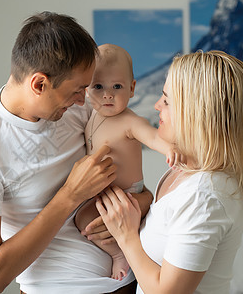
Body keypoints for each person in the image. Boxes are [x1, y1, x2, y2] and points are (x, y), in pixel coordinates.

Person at [0, 12, 153, 294]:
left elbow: (131, 180)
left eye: (86, 87)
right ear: (39, 84)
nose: (84, 100)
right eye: (76, 91)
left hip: (130, 283)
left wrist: (142, 201)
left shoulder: (78, 109)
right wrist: (70, 195)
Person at [87, 50, 243, 294]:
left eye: (166, 101)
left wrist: (125, 237)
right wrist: (141, 200)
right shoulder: (181, 171)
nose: (157, 105)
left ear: (197, 113)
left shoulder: (206, 195)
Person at [74, 43, 181, 281]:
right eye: (98, 86)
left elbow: (152, 136)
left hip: (127, 193)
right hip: (103, 193)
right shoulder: (91, 116)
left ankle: (119, 254)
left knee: (87, 220)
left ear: (132, 88)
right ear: (87, 88)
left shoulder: (130, 121)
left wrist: (169, 149)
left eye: (117, 86)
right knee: (82, 219)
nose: (107, 94)